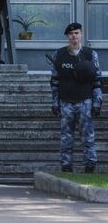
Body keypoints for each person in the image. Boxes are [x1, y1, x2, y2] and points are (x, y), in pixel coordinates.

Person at [50, 23, 102, 173]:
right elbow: (54, 81)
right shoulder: (59, 54)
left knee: (88, 136)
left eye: (76, 33)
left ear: (81, 34)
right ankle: (66, 165)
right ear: (67, 36)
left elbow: (97, 80)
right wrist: (55, 103)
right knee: (66, 137)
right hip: (66, 101)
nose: (74, 36)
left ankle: (90, 165)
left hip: (85, 100)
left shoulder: (90, 54)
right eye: (71, 33)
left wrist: (97, 102)